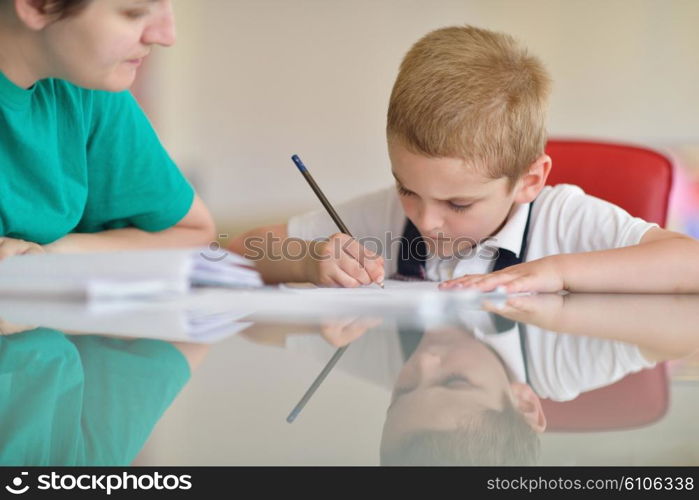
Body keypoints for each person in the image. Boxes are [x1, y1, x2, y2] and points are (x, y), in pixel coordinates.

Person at [230, 25, 699, 294]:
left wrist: (557, 272)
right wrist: (309, 261)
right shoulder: (384, 220)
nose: (426, 221)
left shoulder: (562, 221)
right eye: (408, 189)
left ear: (529, 180)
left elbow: (689, 263)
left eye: (458, 204)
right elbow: (233, 253)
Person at [0, 0, 215, 260]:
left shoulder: (82, 84)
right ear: (38, 5)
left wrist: (47, 252)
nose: (166, 36)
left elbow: (190, 232)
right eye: (135, 13)